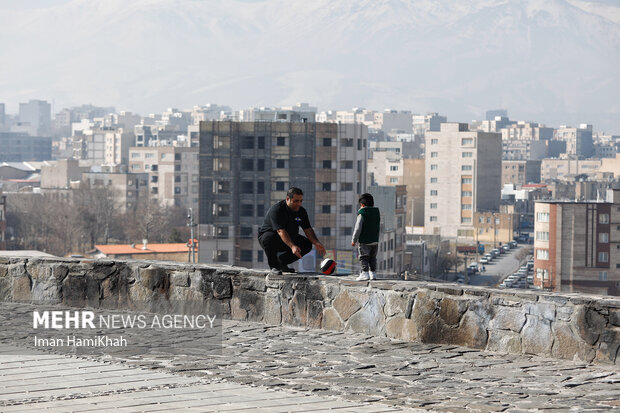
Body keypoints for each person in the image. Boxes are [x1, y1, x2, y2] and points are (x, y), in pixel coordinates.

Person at [258, 187, 326, 275]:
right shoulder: (277, 210)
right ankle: (274, 266)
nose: (299, 204)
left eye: (301, 201)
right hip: (273, 237)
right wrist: (292, 246)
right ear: (287, 199)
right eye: (296, 201)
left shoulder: (301, 212)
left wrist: (316, 242)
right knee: (268, 238)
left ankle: (282, 262)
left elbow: (307, 229)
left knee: (307, 244)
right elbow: (280, 231)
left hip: (290, 236)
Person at [351, 193, 380, 281]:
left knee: (364, 257)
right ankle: (373, 273)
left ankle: (364, 273)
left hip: (365, 241)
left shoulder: (362, 213)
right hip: (375, 240)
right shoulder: (376, 213)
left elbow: (357, 228)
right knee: (373, 257)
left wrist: (354, 240)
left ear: (362, 205)